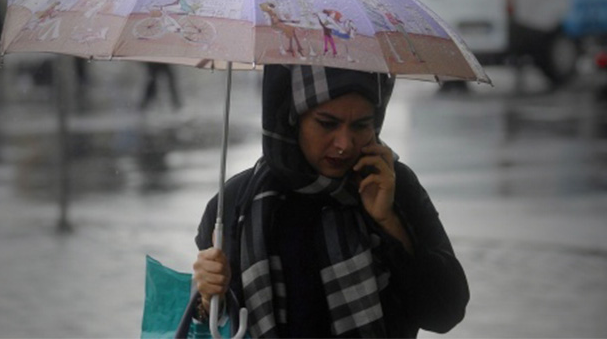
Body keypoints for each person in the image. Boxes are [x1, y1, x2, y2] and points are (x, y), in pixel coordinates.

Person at [192, 65, 469, 337]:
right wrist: (207, 297)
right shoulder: (236, 203)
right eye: (327, 123)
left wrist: (389, 223)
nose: (344, 144)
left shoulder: (393, 185)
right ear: (293, 116)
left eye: (361, 125)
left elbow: (445, 313)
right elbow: (214, 325)